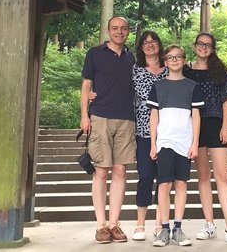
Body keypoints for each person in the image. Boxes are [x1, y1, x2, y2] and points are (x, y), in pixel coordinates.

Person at [183, 32, 227, 245]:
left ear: (212, 49)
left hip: (216, 123)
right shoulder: (186, 71)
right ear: (194, 46)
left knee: (222, 176)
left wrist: (225, 126)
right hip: (194, 125)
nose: (203, 47)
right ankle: (209, 224)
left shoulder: (219, 70)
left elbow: (225, 99)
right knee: (203, 176)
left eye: (208, 45)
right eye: (200, 44)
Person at [80, 16, 136, 244]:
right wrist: (85, 115)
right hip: (100, 116)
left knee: (120, 171)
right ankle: (101, 225)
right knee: (101, 171)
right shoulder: (94, 53)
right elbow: (85, 86)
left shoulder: (133, 57)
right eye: (115, 28)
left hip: (126, 118)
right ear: (108, 30)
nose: (119, 32)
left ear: (128, 31)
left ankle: (114, 224)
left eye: (123, 29)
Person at [148, 45, 203, 247]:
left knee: (181, 183)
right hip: (164, 142)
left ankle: (177, 228)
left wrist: (195, 142)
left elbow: (196, 116)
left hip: (184, 141)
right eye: (170, 57)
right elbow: (154, 116)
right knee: (164, 184)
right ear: (165, 61)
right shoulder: (158, 86)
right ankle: (164, 228)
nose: (174, 60)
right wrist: (153, 143)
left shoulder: (192, 86)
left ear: (184, 59)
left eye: (178, 57)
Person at [130, 31, 169, 241]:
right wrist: (94, 94)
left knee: (164, 178)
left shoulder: (170, 69)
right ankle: (139, 224)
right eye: (145, 42)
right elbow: (121, 92)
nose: (150, 44)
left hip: (168, 132)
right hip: (144, 132)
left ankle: (159, 223)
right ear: (141, 47)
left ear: (159, 45)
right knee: (145, 175)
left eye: (153, 41)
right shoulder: (135, 70)